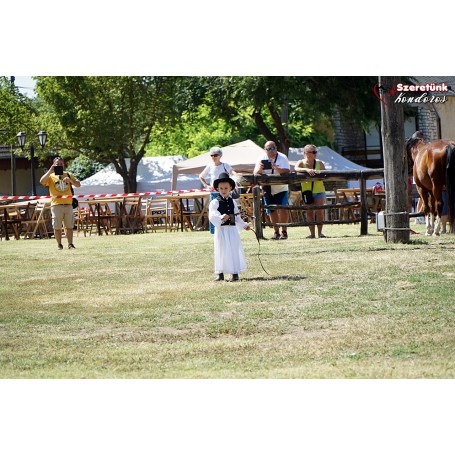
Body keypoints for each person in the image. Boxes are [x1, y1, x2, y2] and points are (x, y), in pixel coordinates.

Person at [208, 173, 250, 282]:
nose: (223, 190)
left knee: (233, 249)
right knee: (221, 250)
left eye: (226, 188)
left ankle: (235, 273)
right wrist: (221, 217)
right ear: (217, 188)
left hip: (232, 230)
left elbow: (237, 216)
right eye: (221, 188)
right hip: (221, 230)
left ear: (230, 188)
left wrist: (244, 225)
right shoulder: (215, 202)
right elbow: (212, 215)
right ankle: (220, 273)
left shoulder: (233, 202)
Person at [40, 156, 81, 249]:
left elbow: (78, 184)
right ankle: (59, 244)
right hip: (56, 205)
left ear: (64, 165)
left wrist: (70, 180)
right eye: (57, 164)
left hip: (68, 204)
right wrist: (50, 170)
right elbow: (42, 181)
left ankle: (70, 244)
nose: (59, 165)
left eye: (61, 164)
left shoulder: (68, 174)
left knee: (69, 226)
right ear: (53, 165)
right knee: (57, 226)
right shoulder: (50, 176)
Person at [253, 140, 290, 240]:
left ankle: (284, 231)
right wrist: (260, 169)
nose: (270, 151)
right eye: (268, 149)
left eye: (272, 148)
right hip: (267, 187)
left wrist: (277, 168)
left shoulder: (282, 157)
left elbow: (287, 170)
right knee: (271, 210)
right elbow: (255, 172)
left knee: (282, 209)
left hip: (281, 187)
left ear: (276, 148)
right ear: (265, 150)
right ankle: (276, 232)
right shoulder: (261, 158)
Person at [199, 146, 236, 234]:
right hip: (214, 192)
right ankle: (214, 231)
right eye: (211, 155)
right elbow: (201, 176)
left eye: (215, 155)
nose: (213, 157)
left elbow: (232, 172)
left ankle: (229, 227)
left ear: (220, 156)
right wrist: (206, 185)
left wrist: (236, 176)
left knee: (227, 209)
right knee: (213, 212)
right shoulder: (210, 166)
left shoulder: (225, 165)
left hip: (225, 192)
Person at [294, 144, 327, 239]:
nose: (315, 154)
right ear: (306, 153)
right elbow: (296, 168)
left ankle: (320, 233)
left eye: (315, 152)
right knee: (309, 212)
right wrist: (306, 170)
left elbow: (325, 174)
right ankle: (312, 234)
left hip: (319, 190)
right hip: (307, 191)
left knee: (320, 212)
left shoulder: (319, 163)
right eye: (313, 152)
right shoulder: (301, 162)